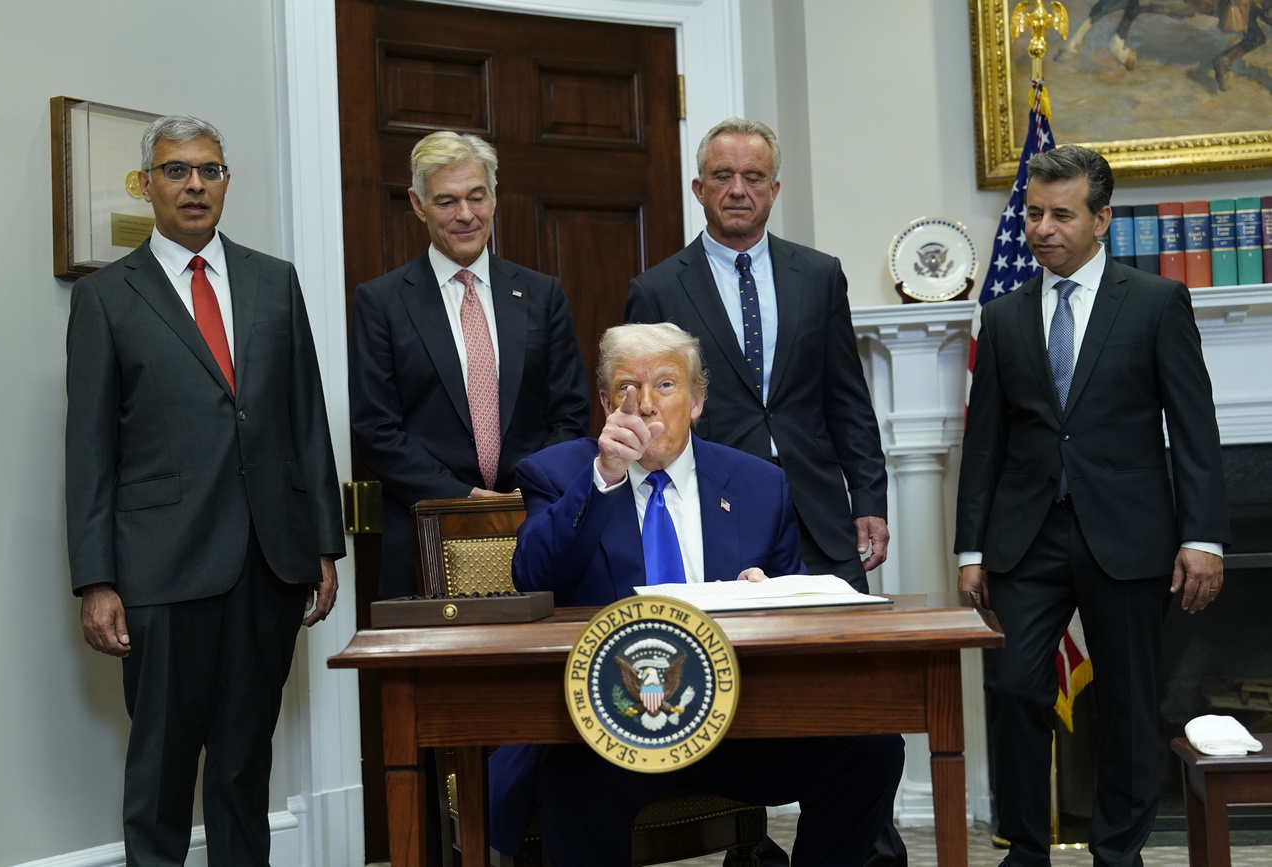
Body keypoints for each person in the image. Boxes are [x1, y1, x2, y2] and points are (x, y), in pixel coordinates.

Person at [488, 322, 904, 866]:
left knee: (871, 749)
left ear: (698, 400)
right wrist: (605, 476)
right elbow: (533, 577)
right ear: (606, 404)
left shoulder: (758, 484)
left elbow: (800, 622)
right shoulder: (559, 473)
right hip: (611, 725)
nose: (645, 404)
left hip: (734, 720)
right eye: (626, 388)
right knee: (574, 780)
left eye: (665, 384)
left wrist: (767, 600)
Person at [65, 115, 345, 866]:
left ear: (225, 181)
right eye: (176, 170)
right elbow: (88, 450)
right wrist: (96, 579)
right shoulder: (106, 297)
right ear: (146, 184)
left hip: (269, 560)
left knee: (243, 766)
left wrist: (323, 542)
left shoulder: (274, 280)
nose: (194, 185)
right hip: (160, 567)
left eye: (209, 170)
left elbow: (306, 418)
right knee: (161, 771)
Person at [626, 117, 904, 867]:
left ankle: (863, 851)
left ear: (775, 189)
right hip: (724, 517)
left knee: (851, 692)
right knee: (736, 682)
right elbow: (651, 416)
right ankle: (749, 847)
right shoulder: (658, 287)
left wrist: (868, 496)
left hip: (819, 511)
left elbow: (846, 396)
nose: (738, 190)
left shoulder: (819, 274)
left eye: (753, 177)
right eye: (723, 177)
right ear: (698, 188)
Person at [955, 144, 1228, 867]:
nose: (1042, 228)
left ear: (1101, 219)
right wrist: (971, 548)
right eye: (1033, 213)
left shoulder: (1156, 302)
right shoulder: (1003, 316)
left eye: (1061, 214)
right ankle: (1025, 850)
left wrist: (1203, 536)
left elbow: (1193, 427)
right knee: (1014, 687)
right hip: (1026, 538)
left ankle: (1117, 854)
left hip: (1130, 535)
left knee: (1130, 703)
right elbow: (984, 442)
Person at [349, 131, 591, 599]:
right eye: (446, 201)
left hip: (534, 525)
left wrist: (528, 488)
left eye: (476, 197)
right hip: (425, 534)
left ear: (494, 197)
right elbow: (376, 427)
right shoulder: (381, 303)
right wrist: (460, 496)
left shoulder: (542, 295)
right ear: (418, 204)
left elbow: (569, 413)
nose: (465, 215)